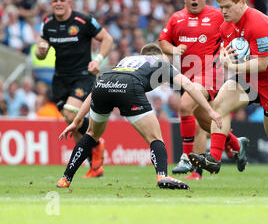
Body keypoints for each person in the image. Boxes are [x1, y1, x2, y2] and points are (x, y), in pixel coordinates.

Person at [188, 0, 268, 189]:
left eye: (227, 7)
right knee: (219, 106)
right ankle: (214, 158)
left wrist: (232, 64)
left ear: (241, 2)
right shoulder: (226, 26)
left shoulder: (257, 23)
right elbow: (228, 54)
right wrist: (225, 58)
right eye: (220, 7)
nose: (223, 11)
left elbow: (263, 63)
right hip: (249, 76)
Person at [56, 43, 222, 190]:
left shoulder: (127, 59)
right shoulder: (161, 63)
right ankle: (162, 176)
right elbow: (188, 85)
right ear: (158, 55)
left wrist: (77, 121)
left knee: (91, 134)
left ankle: (65, 178)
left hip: (103, 83)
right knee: (155, 137)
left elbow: (93, 93)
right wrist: (209, 110)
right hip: (129, 86)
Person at [158, 0, 249, 180]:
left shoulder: (217, 16)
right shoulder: (176, 18)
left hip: (211, 73)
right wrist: (172, 50)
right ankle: (236, 144)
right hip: (187, 78)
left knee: (184, 106)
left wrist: (232, 51)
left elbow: (237, 32)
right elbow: (162, 41)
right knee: (207, 122)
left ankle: (186, 158)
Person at [34, 0, 113, 178]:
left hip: (83, 75)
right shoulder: (47, 24)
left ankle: (96, 142)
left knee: (71, 115)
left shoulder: (82, 20)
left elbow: (107, 39)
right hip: (60, 79)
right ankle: (94, 165)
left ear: (68, 1)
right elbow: (40, 51)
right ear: (51, 3)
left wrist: (98, 60)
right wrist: (40, 51)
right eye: (55, 1)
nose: (59, 4)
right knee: (72, 124)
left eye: (62, 0)